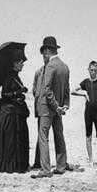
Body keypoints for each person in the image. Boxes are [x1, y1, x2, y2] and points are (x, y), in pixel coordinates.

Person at [0, 49, 30, 173]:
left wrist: (20, 94)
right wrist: (18, 92)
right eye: (20, 62)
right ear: (14, 63)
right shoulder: (9, 76)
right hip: (9, 114)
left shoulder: (16, 76)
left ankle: (15, 165)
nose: (22, 64)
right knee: (10, 141)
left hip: (15, 112)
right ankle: (9, 165)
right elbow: (5, 94)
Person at [32, 36, 71, 178]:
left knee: (43, 137)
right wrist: (64, 106)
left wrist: (55, 106)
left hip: (47, 108)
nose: (44, 55)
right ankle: (61, 166)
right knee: (59, 136)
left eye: (44, 52)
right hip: (58, 109)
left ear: (48, 51)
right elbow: (67, 89)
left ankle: (46, 169)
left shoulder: (50, 66)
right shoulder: (65, 67)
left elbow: (47, 90)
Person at [31, 63, 46, 169]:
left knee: (56, 134)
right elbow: (34, 90)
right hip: (41, 106)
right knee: (41, 135)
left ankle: (61, 163)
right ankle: (37, 161)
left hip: (51, 106)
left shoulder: (53, 71)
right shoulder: (38, 72)